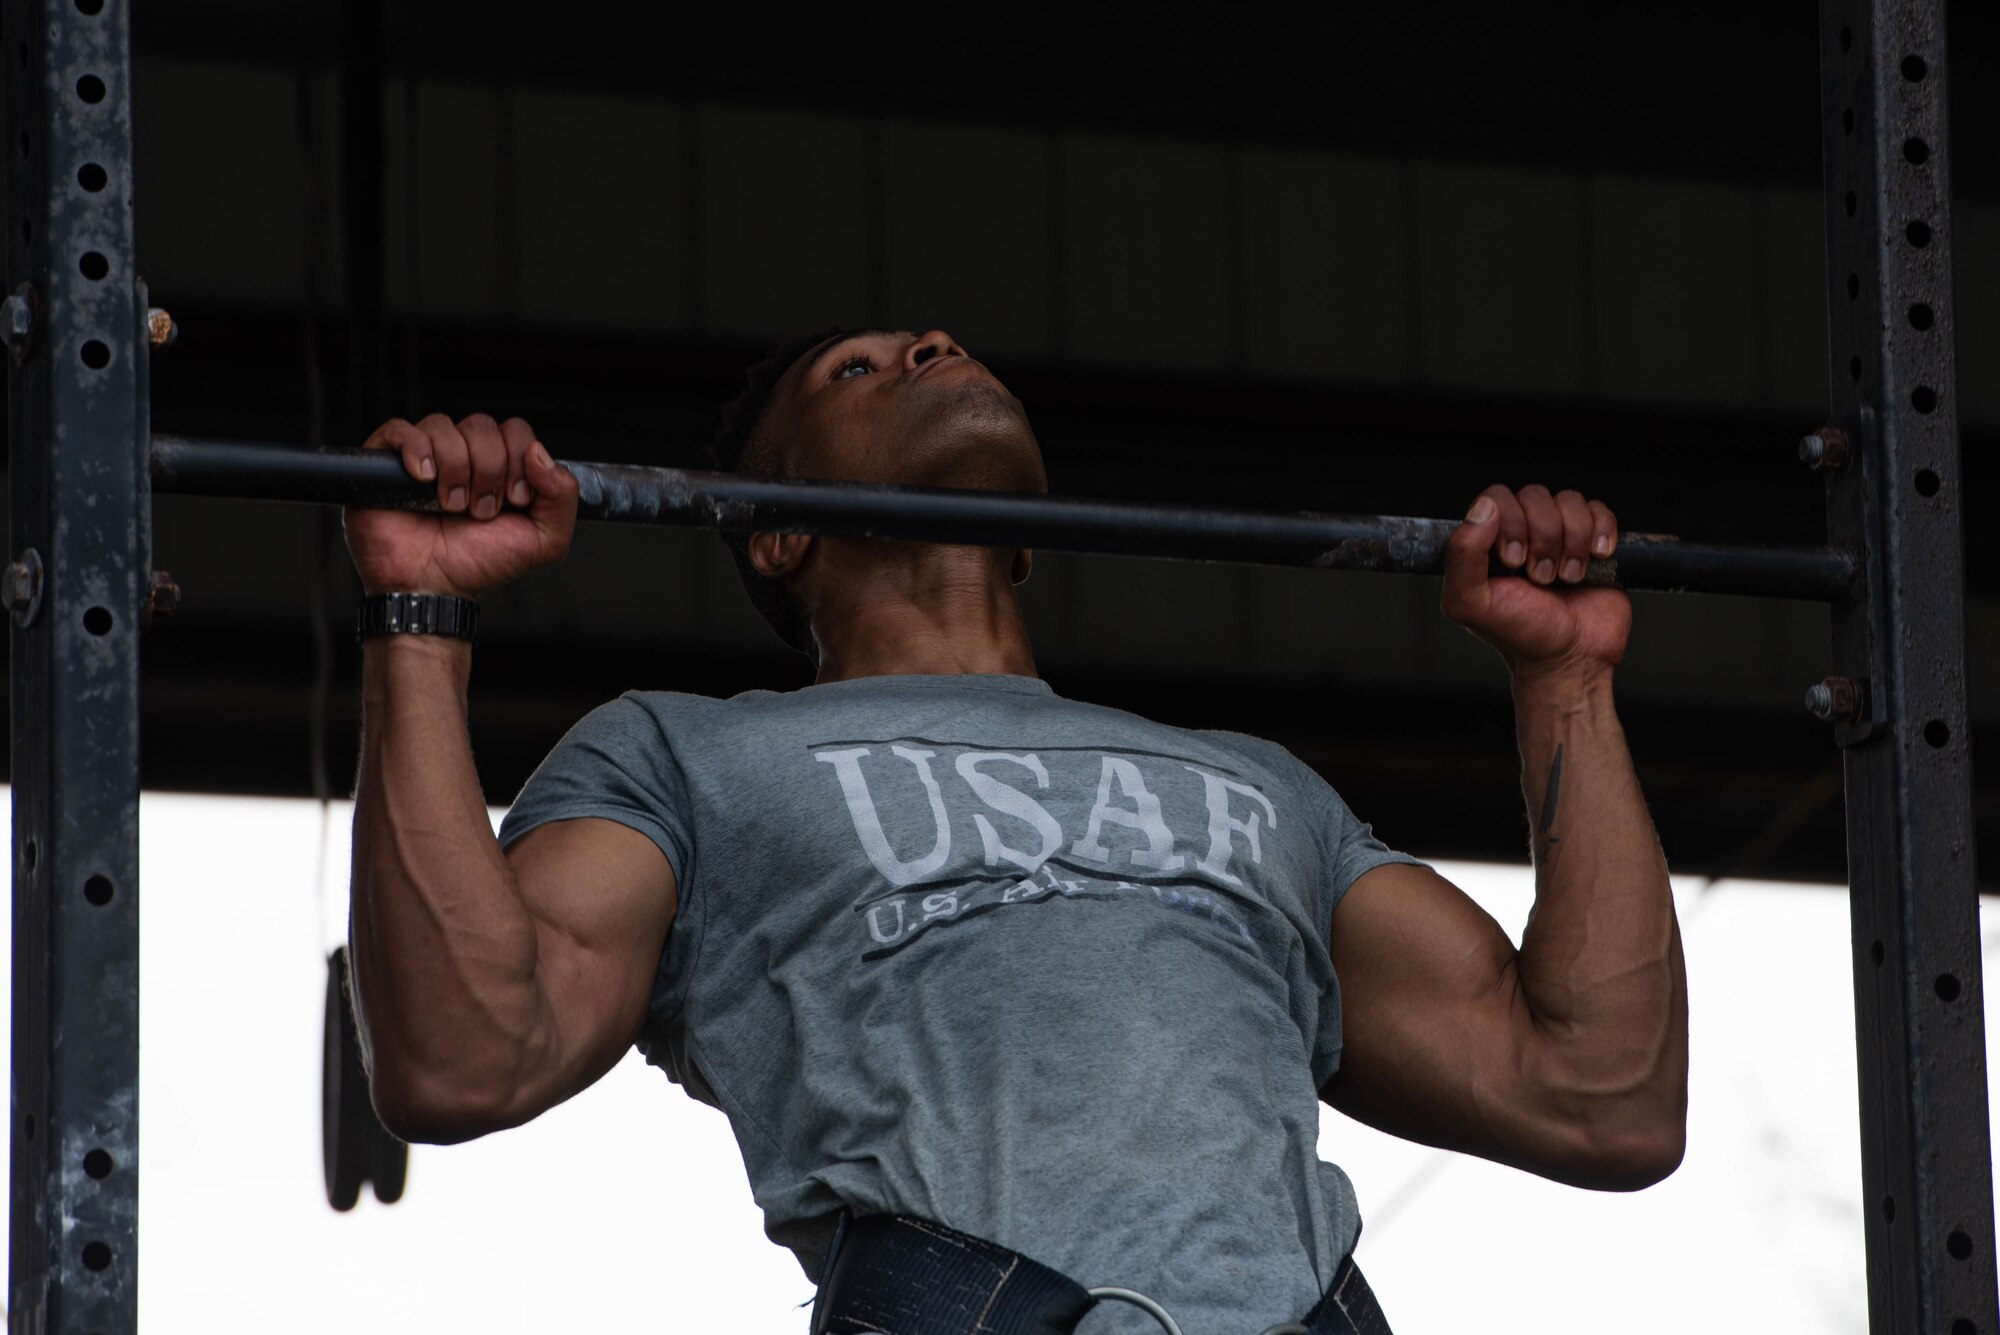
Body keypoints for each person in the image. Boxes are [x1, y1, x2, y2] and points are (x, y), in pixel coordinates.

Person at [341, 327, 1688, 1335]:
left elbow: (1600, 1098)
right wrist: (422, 616)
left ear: (1031, 535)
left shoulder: (1260, 788)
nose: (927, 347)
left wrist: (1564, 679)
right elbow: (465, 1057)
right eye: (857, 372)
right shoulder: (687, 754)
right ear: (770, 537)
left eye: (937, 344)